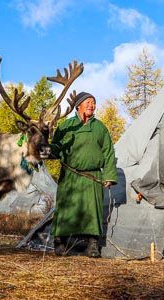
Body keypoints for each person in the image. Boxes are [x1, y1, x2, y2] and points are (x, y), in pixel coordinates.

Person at [49, 92, 118, 258]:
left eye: (93, 102)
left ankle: (93, 246)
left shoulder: (100, 127)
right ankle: (60, 243)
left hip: (92, 177)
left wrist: (109, 175)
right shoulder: (66, 126)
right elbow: (56, 147)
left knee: (92, 210)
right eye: (87, 102)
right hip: (70, 176)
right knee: (66, 208)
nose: (91, 105)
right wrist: (46, 150)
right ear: (78, 105)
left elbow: (108, 152)